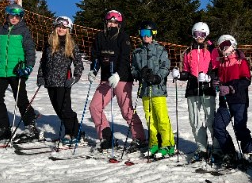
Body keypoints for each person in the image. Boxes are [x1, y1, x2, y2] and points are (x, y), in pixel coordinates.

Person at [88, 9, 145, 151]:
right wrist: (93, 70)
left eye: (115, 22)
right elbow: (96, 56)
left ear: (119, 24)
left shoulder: (123, 37)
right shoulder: (100, 36)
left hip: (122, 78)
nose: (112, 24)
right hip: (106, 79)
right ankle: (106, 136)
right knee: (95, 107)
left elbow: (125, 58)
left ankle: (139, 138)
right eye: (110, 21)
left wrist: (118, 74)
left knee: (126, 110)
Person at [0, 4, 38, 143]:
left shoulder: (24, 31)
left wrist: (28, 67)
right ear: (7, 16)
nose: (14, 19)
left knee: (21, 99)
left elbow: (30, 51)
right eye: (11, 16)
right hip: (1, 71)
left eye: (17, 17)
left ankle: (31, 126)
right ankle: (3, 127)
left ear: (21, 18)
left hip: (17, 70)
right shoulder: (0, 31)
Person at [172, 22, 218, 163]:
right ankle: (202, 148)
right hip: (192, 88)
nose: (199, 37)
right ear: (193, 35)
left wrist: (209, 78)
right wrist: (179, 75)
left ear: (206, 34)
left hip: (207, 88)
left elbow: (216, 69)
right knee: (194, 120)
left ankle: (217, 148)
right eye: (196, 34)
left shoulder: (212, 50)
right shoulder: (188, 51)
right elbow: (186, 71)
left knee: (211, 120)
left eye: (202, 34)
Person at [130, 20, 175, 157]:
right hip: (145, 90)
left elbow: (165, 66)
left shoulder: (160, 49)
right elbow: (133, 69)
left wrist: (157, 77)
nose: (145, 36)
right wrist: (139, 74)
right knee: (150, 119)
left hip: (158, 90)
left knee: (162, 119)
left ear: (153, 34)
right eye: (143, 33)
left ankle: (167, 145)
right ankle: (154, 144)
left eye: (148, 33)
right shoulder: (137, 52)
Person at [37, 16, 84, 145]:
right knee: (58, 109)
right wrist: (40, 76)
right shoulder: (49, 43)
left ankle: (74, 132)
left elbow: (79, 64)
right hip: (50, 82)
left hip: (64, 82)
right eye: (59, 27)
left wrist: (75, 77)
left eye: (64, 27)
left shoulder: (71, 44)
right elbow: (43, 62)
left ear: (68, 30)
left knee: (65, 110)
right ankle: (71, 131)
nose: (61, 29)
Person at [213, 34, 252, 168]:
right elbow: (219, 80)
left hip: (239, 100)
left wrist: (231, 87)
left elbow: (246, 80)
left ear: (233, 46)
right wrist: (216, 83)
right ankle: (230, 152)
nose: (223, 49)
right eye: (221, 46)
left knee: (240, 127)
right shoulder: (221, 62)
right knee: (218, 126)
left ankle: (248, 153)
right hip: (225, 101)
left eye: (225, 45)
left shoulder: (240, 61)